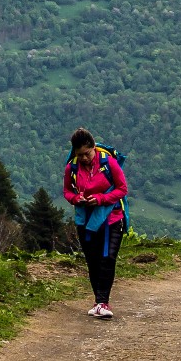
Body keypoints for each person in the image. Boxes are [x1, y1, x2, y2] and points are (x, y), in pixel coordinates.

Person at [62, 127, 127, 318]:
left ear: (93, 148)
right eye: (79, 154)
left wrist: (100, 199)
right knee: (93, 260)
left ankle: (102, 303)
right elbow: (67, 191)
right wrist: (76, 199)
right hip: (86, 220)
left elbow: (122, 189)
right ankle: (99, 301)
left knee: (107, 258)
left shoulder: (109, 163)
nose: (84, 158)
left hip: (111, 218)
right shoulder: (71, 168)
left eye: (87, 153)